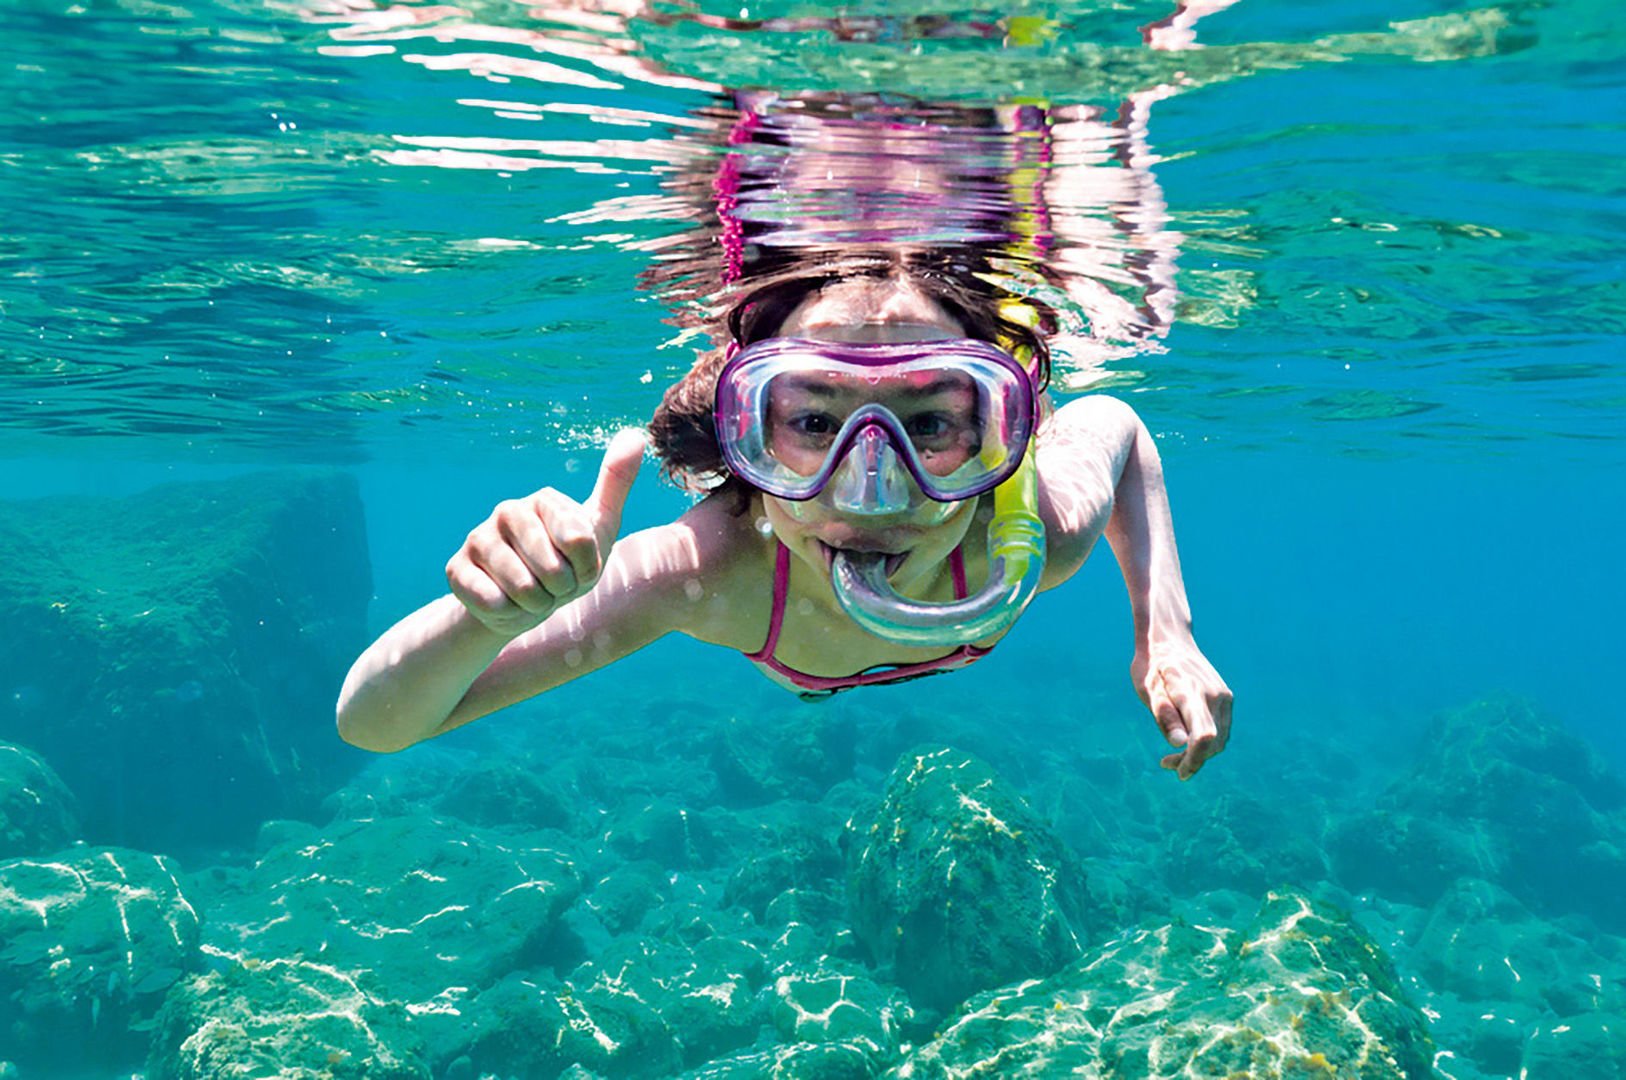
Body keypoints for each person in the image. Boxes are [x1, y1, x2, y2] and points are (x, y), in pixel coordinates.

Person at [336, 258, 1232, 779]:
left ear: (998, 434)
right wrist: (486, 617)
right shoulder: (705, 574)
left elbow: (1117, 425)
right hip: (798, 671)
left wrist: (1168, 632)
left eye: (930, 425)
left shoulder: (1025, 537)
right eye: (811, 423)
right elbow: (373, 723)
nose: (871, 493)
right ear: (746, 444)